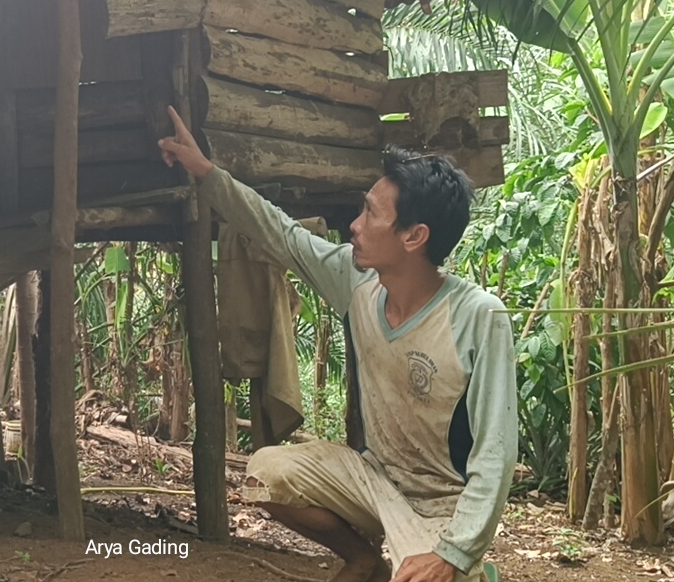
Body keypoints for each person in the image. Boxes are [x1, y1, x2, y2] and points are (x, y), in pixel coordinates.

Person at [158, 107, 516, 582]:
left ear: (415, 236)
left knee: (439, 573)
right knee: (267, 472)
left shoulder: (478, 316)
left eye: (371, 213)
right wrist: (206, 172)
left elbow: (495, 452)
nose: (356, 224)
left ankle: (469, 569)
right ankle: (365, 559)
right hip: (373, 479)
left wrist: (454, 552)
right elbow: (280, 234)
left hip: (443, 504)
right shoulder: (355, 279)